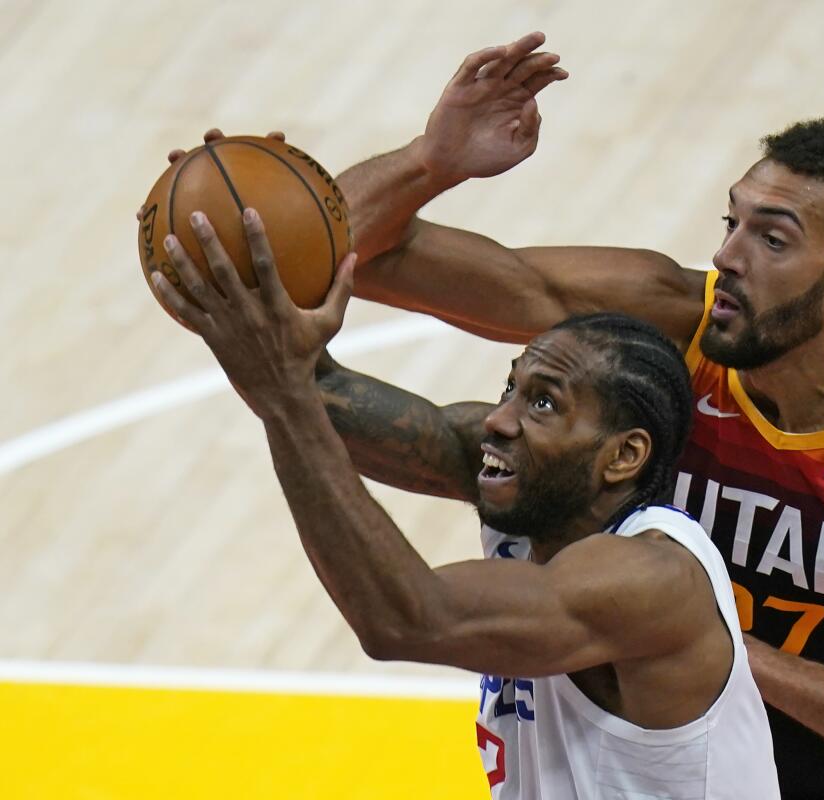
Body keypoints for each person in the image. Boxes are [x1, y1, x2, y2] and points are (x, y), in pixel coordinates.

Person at [321, 32, 824, 800]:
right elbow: (345, 254)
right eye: (731, 222)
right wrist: (428, 161)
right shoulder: (677, 325)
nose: (730, 256)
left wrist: (720, 648)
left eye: (772, 239)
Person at [147, 208, 781, 800]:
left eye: (543, 404)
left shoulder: (649, 578)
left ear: (622, 457)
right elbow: (309, 389)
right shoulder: (531, 486)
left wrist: (284, 392)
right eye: (512, 387)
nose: (500, 421)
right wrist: (229, 250)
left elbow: (409, 621)